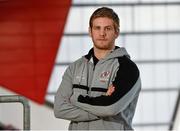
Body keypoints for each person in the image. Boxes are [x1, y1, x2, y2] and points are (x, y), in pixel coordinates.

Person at [54, 7, 141, 130]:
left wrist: (75, 98)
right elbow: (59, 109)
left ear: (116, 32)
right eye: (97, 28)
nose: (102, 33)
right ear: (90, 31)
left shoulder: (128, 68)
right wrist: (101, 107)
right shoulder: (75, 67)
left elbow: (111, 107)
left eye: (108, 28)